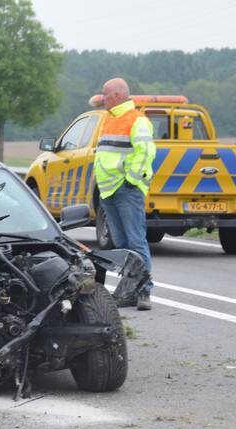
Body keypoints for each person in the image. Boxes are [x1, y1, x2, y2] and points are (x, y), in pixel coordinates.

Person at [95, 78, 156, 310]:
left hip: (125, 189)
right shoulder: (109, 119)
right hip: (108, 189)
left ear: (119, 95)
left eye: (106, 94)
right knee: (122, 244)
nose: (103, 98)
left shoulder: (136, 120)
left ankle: (144, 292)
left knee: (135, 242)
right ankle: (130, 290)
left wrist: (131, 181)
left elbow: (145, 153)